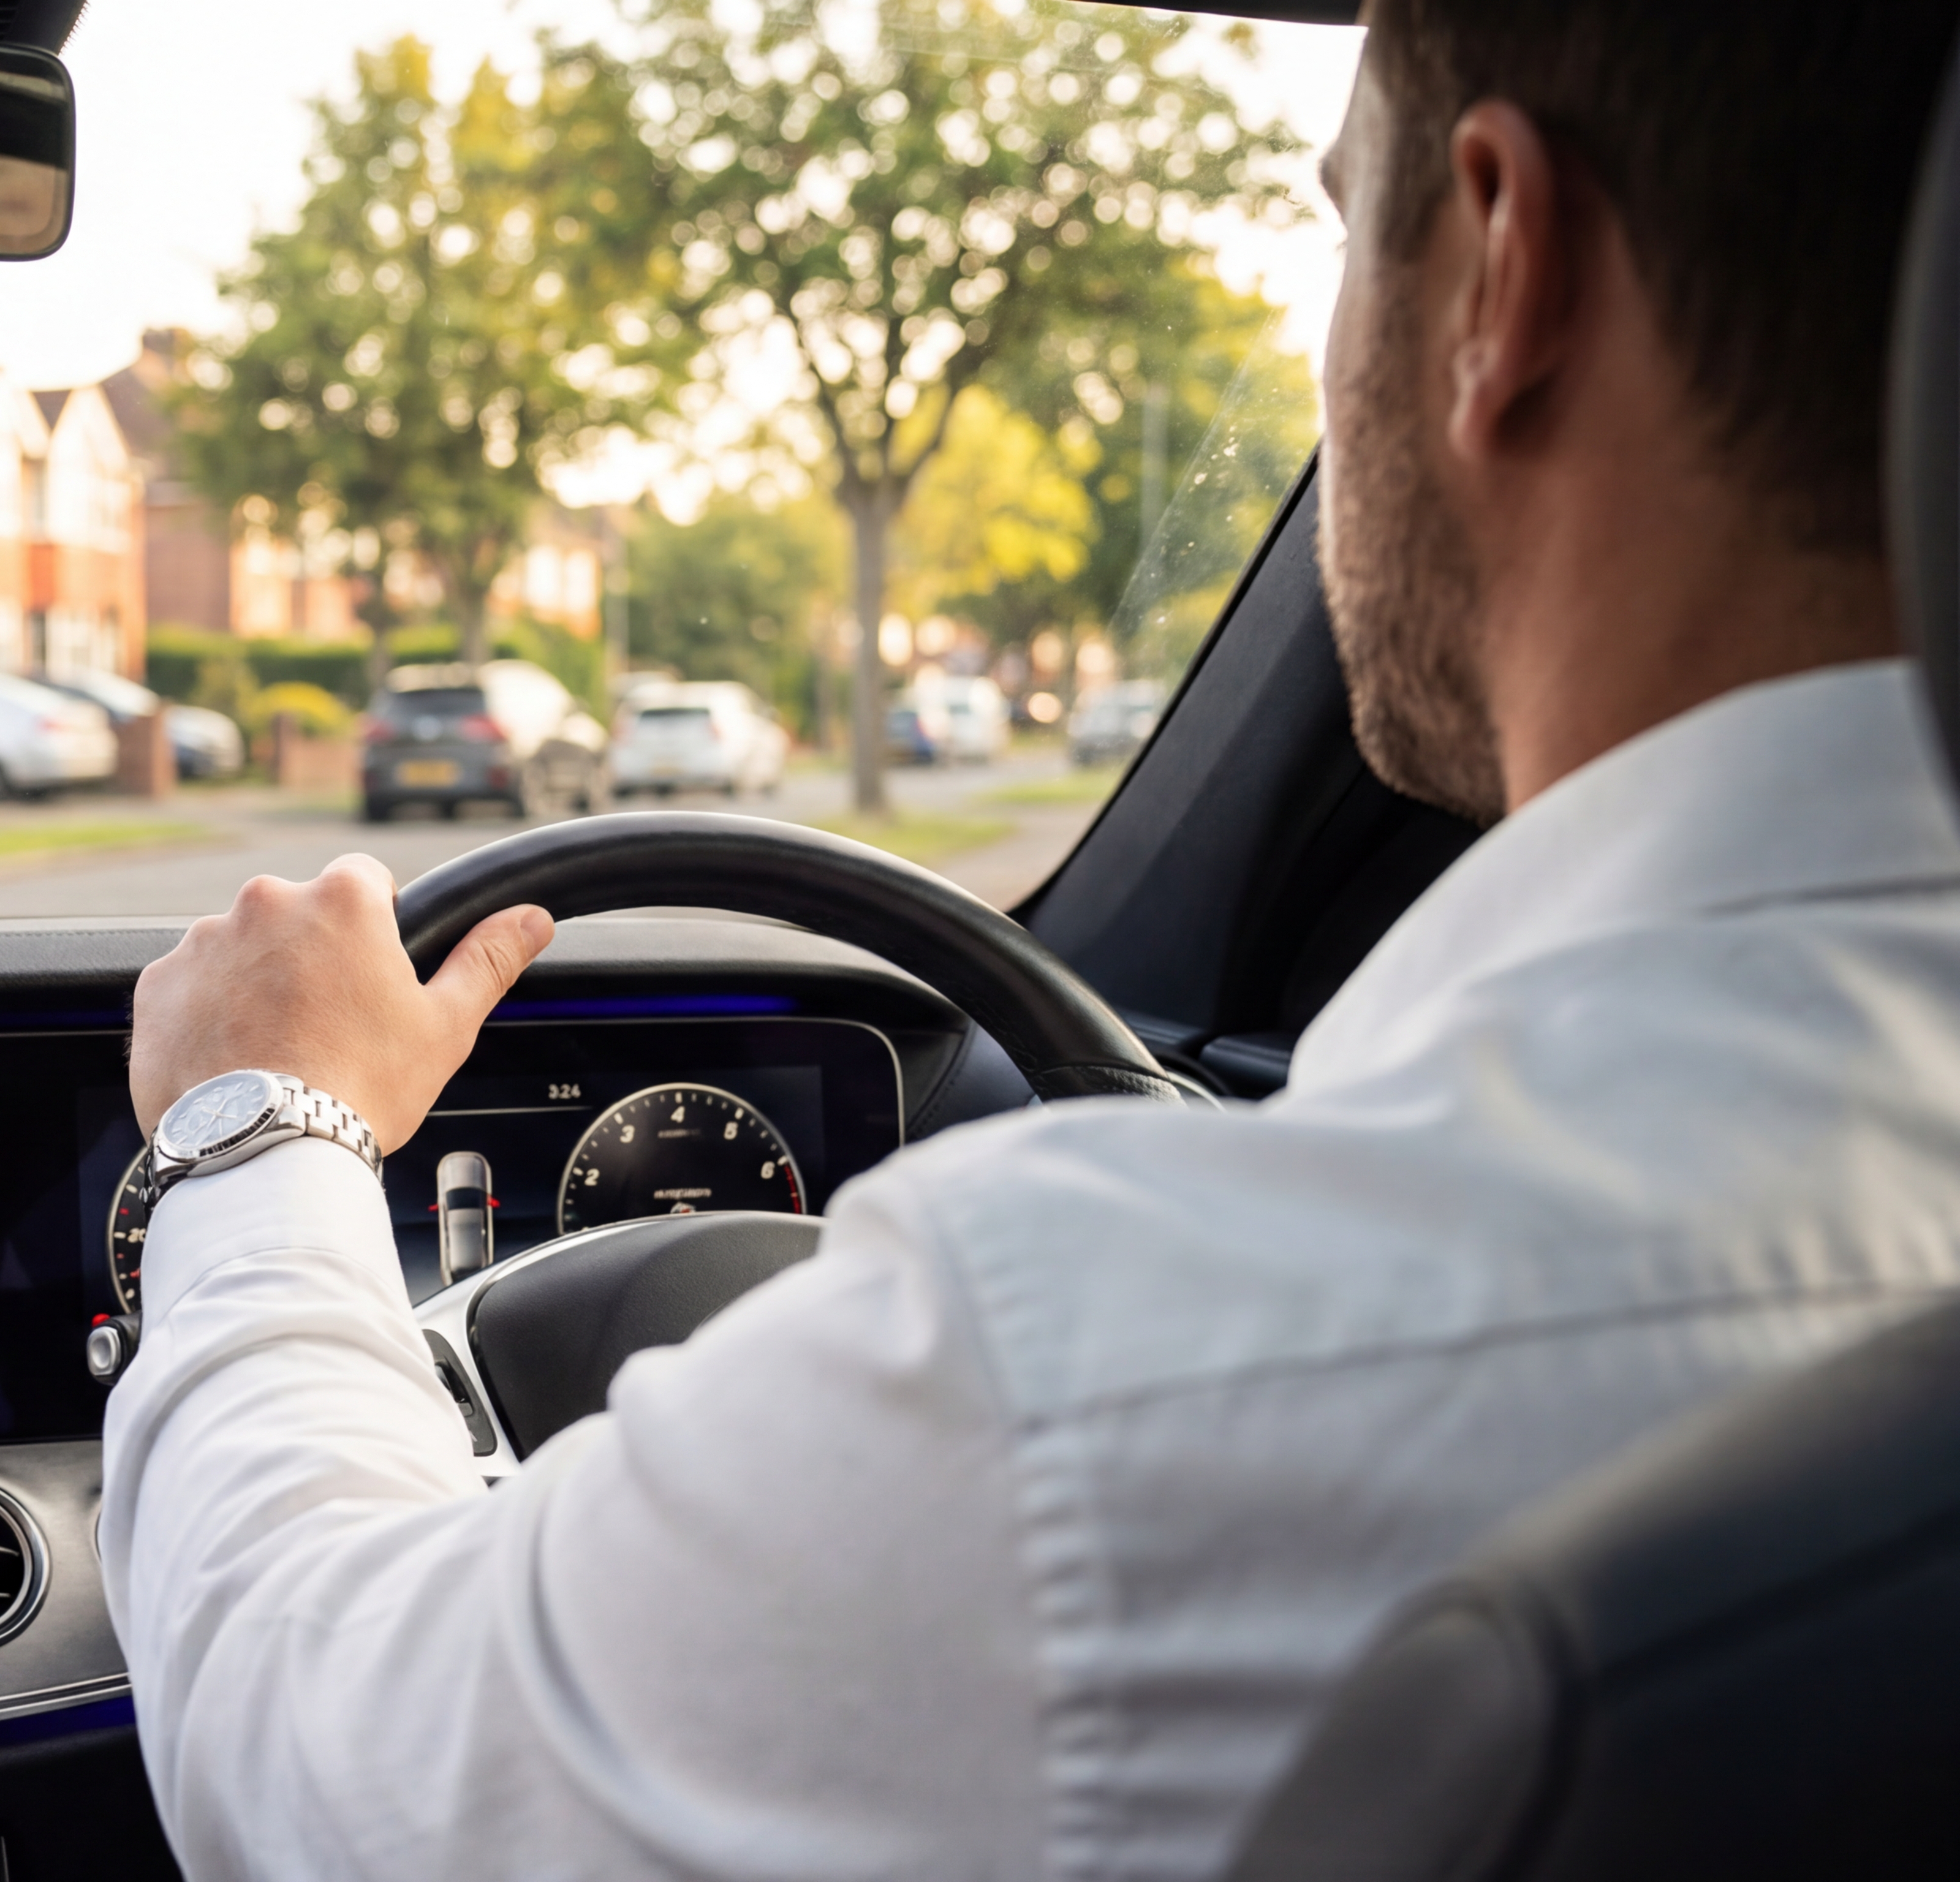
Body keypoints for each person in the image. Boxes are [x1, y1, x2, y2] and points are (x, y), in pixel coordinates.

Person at [99, 2, 1960, 1876]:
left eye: (1337, 234)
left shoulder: (1091, 1375)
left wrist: (265, 1128)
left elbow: (321, 1758)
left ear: (1497, 264)